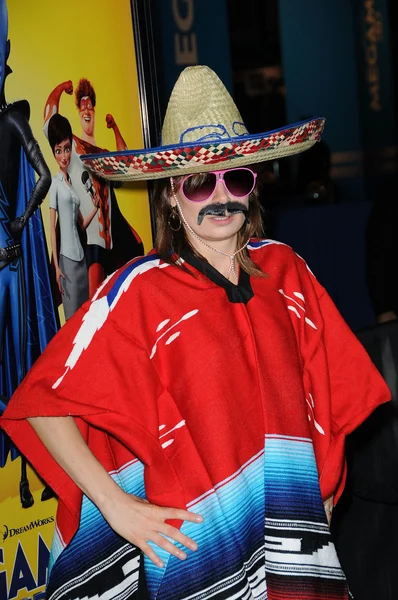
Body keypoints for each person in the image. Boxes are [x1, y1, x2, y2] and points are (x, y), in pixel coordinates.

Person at [1, 66, 390, 600]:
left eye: (236, 178)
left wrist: (324, 487)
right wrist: (117, 506)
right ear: (170, 197)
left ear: (252, 187)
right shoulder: (138, 291)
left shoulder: (286, 270)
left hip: (296, 546)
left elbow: (332, 391)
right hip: (199, 557)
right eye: (199, 182)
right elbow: (41, 404)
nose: (219, 197)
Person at [0, 0, 58, 507]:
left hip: (14, 267)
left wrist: (20, 220)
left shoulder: (13, 118)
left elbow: (44, 174)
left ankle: (29, 475)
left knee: (22, 367)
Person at [43, 78, 144, 296]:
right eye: (83, 106)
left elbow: (124, 167)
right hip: (88, 243)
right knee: (90, 309)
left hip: (111, 244)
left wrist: (116, 128)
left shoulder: (103, 154)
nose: (87, 109)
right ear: (78, 111)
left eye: (90, 106)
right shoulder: (73, 147)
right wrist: (60, 88)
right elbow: (49, 122)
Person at [48, 113, 99, 320]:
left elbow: (81, 225)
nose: (64, 156)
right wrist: (57, 268)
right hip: (66, 261)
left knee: (83, 318)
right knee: (71, 321)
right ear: (53, 152)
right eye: (59, 151)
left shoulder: (71, 185)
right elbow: (52, 227)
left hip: (81, 260)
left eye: (67, 149)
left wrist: (95, 209)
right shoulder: (55, 184)